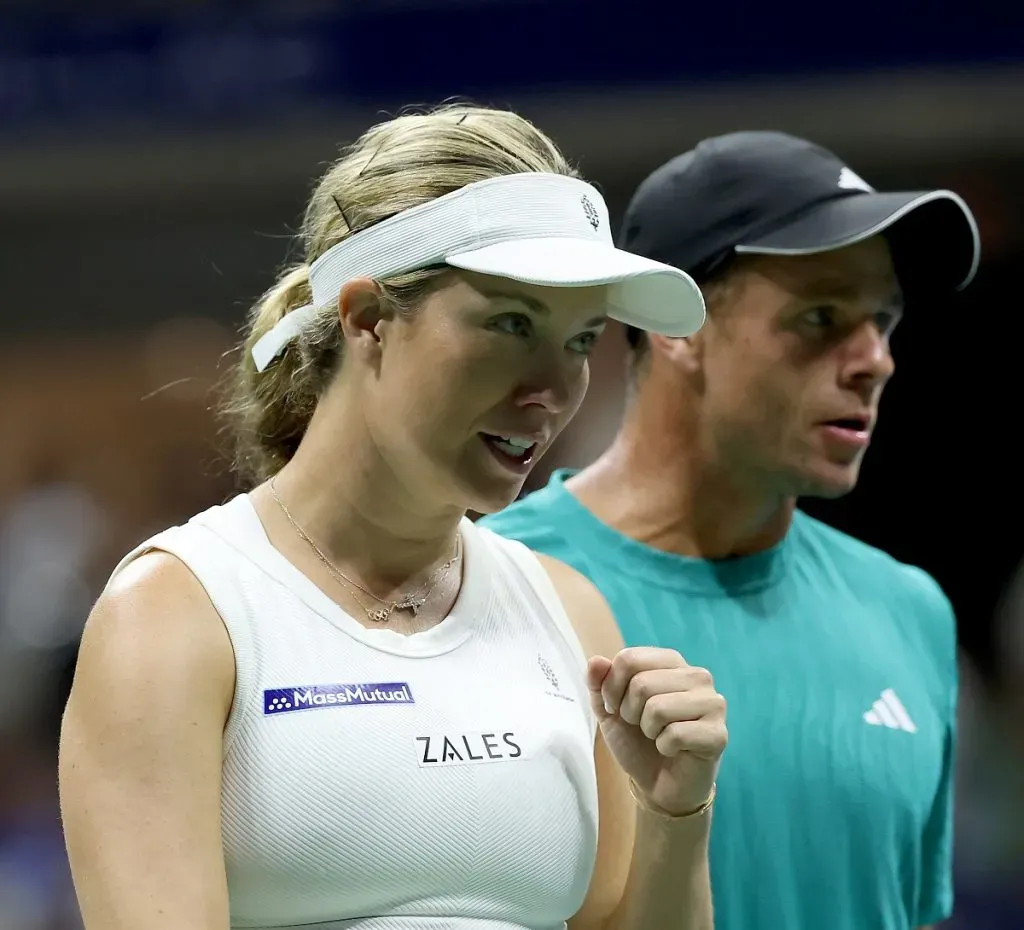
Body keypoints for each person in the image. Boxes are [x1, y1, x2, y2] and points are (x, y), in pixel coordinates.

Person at [56, 104, 728, 930]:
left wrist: (675, 816)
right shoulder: (175, 617)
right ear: (368, 318)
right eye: (511, 324)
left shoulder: (567, 612)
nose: (551, 387)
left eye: (582, 341)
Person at [480, 131, 981, 930]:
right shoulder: (495, 587)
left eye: (881, 321)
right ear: (677, 327)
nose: (874, 360)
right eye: (821, 317)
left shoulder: (908, 608)